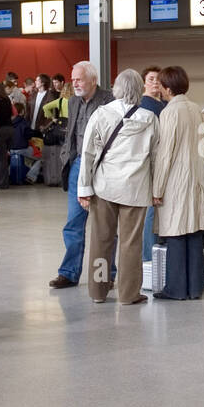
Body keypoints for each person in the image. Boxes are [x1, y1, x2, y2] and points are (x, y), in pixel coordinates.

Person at [78, 70, 157, 305]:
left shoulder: (102, 114)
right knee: (131, 244)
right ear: (140, 89)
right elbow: (156, 157)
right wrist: (156, 189)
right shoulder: (149, 118)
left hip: (104, 186)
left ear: (117, 88)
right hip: (136, 188)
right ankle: (128, 294)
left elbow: (88, 153)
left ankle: (98, 291)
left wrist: (84, 188)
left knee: (101, 240)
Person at [49, 61, 114, 289]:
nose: (74, 83)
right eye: (73, 79)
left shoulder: (109, 100)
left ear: (93, 80)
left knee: (105, 224)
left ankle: (108, 273)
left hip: (103, 168)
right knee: (73, 222)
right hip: (78, 165)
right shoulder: (73, 101)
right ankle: (69, 272)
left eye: (79, 79)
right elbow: (72, 134)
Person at [151, 66, 204, 300]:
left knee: (176, 232)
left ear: (168, 88)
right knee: (194, 231)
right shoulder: (197, 109)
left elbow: (165, 153)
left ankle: (176, 289)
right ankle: (195, 287)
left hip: (176, 179)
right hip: (197, 177)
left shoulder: (169, 112)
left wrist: (157, 189)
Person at [138, 66, 166, 262]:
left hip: (164, 160)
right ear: (144, 82)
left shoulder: (165, 103)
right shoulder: (143, 104)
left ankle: (158, 253)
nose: (155, 82)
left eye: (158, 79)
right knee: (150, 211)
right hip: (149, 161)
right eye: (151, 79)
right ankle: (148, 258)